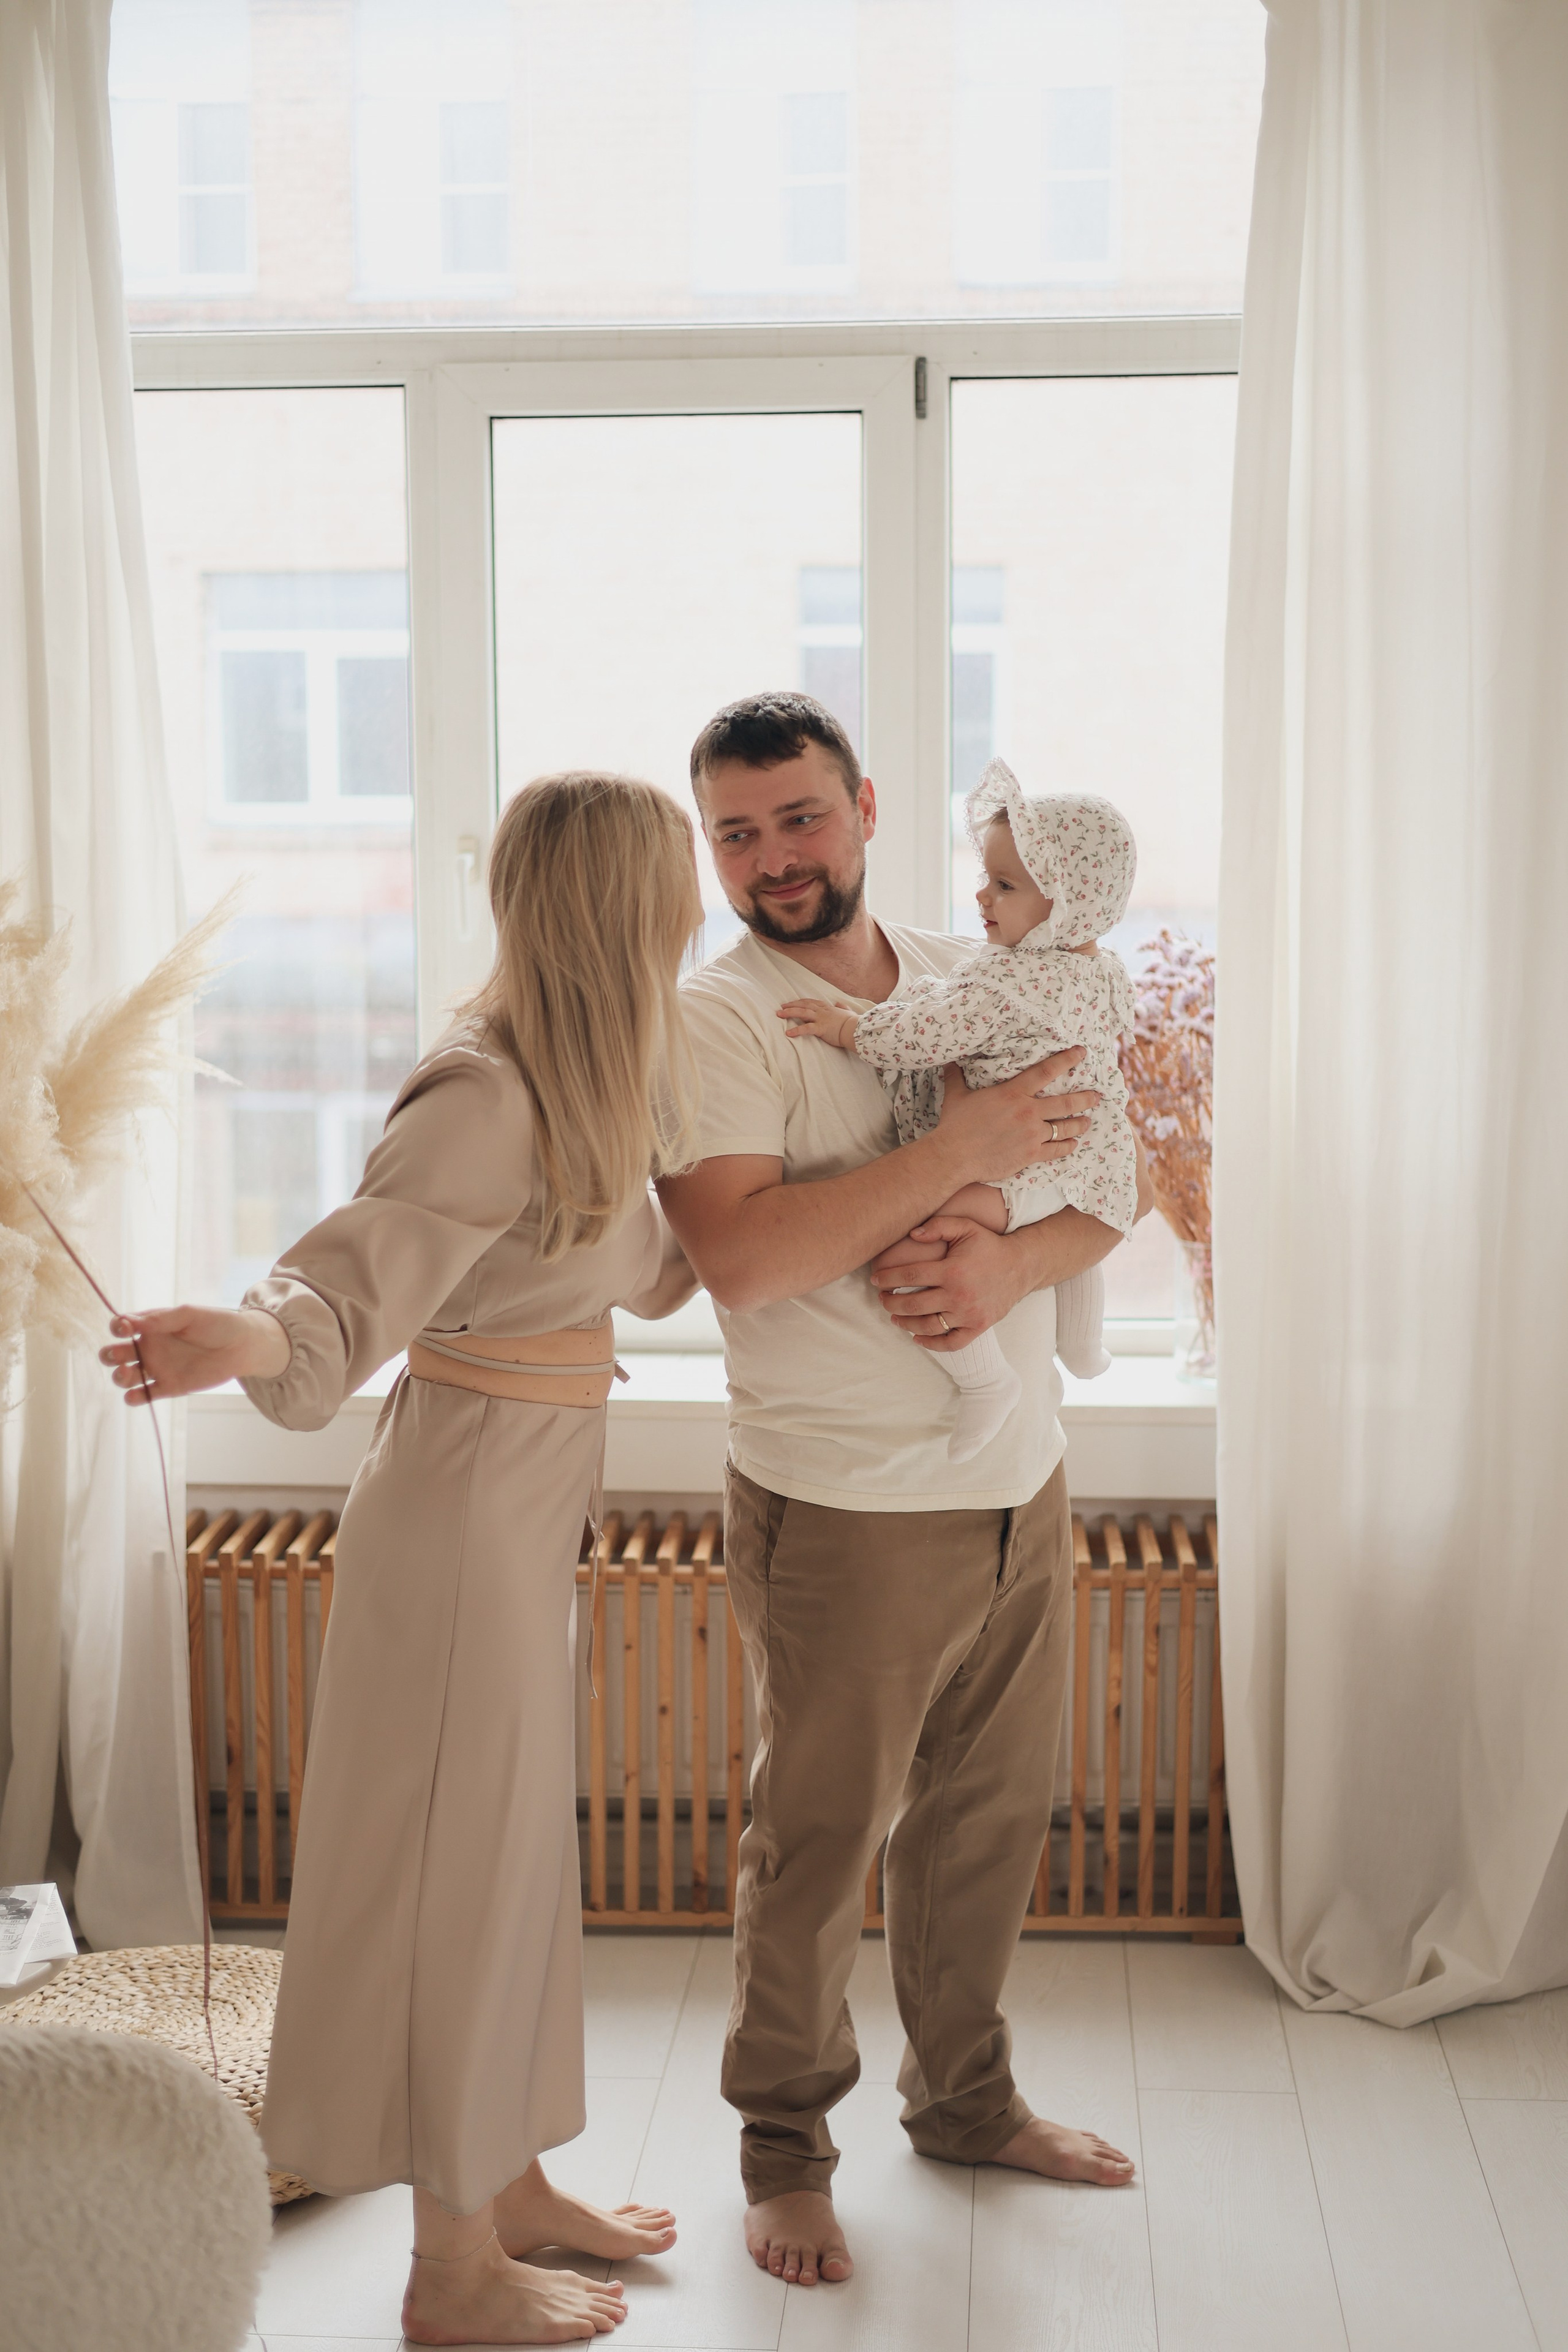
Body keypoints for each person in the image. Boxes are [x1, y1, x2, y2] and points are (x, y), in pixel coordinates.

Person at [100, 774, 703, 2348]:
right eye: (680, 880)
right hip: (453, 1536)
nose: (698, 905)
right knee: (456, 1889)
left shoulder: (587, 1078)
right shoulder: (484, 1090)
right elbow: (340, 1289)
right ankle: (448, 2274)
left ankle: (499, 2181)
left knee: (507, 1875)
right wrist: (240, 1334)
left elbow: (645, 1274)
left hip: (514, 1523)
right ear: (622, 905)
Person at [657, 693, 1150, 2291]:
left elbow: (1096, 1191)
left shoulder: (980, 973)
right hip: (845, 1503)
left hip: (1018, 1475)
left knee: (985, 1821)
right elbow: (743, 1257)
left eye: (800, 818)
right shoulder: (719, 1023)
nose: (774, 858)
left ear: (865, 809)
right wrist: (970, 1150)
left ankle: (969, 2101)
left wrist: (1009, 1254)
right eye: (738, 833)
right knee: (815, 1842)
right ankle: (786, 2155)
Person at [777, 760, 1140, 1458]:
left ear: (1065, 905)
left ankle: (983, 1382)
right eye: (987, 875)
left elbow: (923, 1036)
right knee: (1087, 1221)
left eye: (1005, 885)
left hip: (1018, 1174)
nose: (982, 894)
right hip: (1092, 1167)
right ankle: (1083, 1344)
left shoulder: (1006, 980)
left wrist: (849, 1027)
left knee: (910, 1243)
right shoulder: (1101, 972)